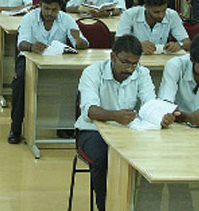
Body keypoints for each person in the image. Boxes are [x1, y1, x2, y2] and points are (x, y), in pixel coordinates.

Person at [75, 34, 175, 211]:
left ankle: (143, 206)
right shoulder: (92, 72)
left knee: (153, 156)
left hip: (129, 131)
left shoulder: (142, 73)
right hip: (92, 130)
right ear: (113, 56)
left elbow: (149, 104)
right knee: (104, 158)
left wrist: (160, 116)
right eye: (125, 62)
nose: (130, 69)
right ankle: (105, 206)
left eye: (134, 64)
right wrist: (115, 116)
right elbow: (90, 111)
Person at [9, 0, 88, 144]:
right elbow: (21, 43)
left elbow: (82, 44)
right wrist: (31, 46)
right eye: (46, 8)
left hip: (57, 61)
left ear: (60, 8)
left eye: (54, 10)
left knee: (75, 80)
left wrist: (79, 41)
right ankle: (15, 128)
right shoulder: (29, 18)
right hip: (30, 59)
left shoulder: (66, 19)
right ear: (40, 5)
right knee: (20, 81)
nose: (49, 13)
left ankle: (65, 126)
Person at [115, 0, 190, 54]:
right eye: (156, 12)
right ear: (145, 7)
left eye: (164, 10)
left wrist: (179, 45)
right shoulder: (129, 15)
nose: (161, 15)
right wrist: (138, 46)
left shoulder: (172, 15)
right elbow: (118, 41)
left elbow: (187, 42)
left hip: (161, 60)